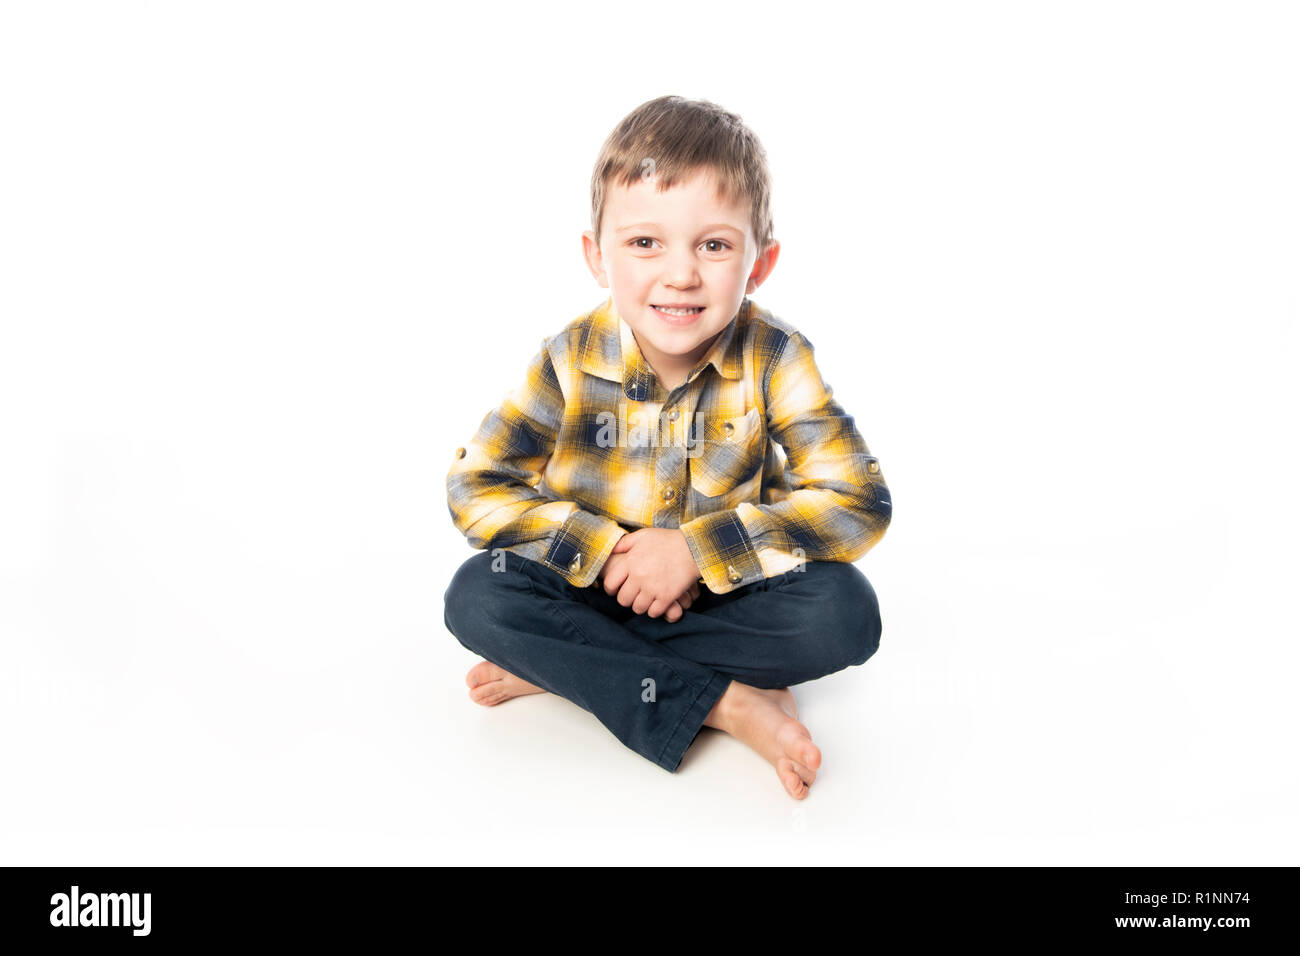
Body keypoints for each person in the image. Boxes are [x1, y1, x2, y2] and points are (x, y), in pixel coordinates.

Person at [443, 95, 891, 799]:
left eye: (713, 245)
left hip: (720, 595)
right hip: (591, 590)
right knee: (478, 598)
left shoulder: (775, 356)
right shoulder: (569, 357)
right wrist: (604, 548)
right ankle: (729, 703)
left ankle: (569, 670)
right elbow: (477, 484)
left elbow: (859, 500)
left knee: (846, 612)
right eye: (645, 242)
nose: (680, 274)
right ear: (597, 256)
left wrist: (694, 552)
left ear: (760, 262)